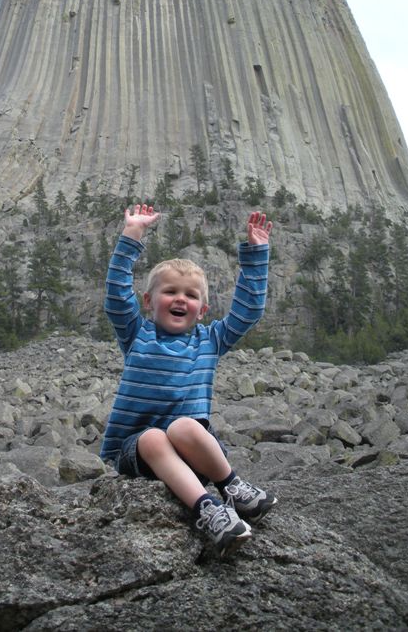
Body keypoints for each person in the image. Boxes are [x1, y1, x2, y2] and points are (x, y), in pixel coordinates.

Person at [100, 203, 277, 556]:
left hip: (195, 456)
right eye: (170, 292)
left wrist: (256, 253)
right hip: (138, 457)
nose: (180, 298)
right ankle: (208, 510)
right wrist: (133, 232)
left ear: (203, 309)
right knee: (153, 436)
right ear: (149, 301)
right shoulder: (137, 334)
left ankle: (232, 487)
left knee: (184, 426)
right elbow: (117, 296)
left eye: (191, 295)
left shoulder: (210, 340)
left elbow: (248, 311)